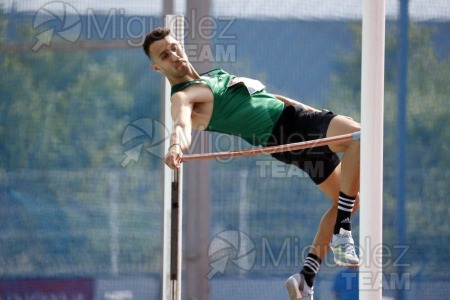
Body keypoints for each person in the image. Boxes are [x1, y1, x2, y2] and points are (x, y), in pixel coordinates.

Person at [143, 27, 360, 300]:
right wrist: (176, 145)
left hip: (289, 131)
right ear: (156, 67)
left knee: (350, 197)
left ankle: (306, 277)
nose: (173, 55)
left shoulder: (214, 77)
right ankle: (342, 232)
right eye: (164, 55)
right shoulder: (183, 95)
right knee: (360, 138)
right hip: (289, 129)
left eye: (174, 47)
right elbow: (181, 124)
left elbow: (269, 99)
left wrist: (313, 112)